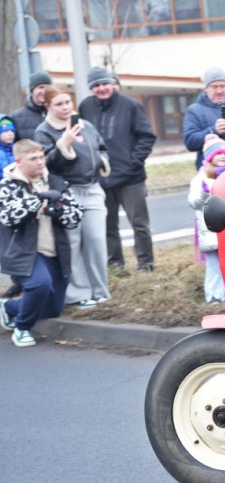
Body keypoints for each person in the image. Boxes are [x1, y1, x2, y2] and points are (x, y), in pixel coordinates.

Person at [0, 140, 83, 347]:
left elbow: (75, 218)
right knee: (39, 284)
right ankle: (22, 328)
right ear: (19, 161)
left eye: (41, 157)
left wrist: (60, 211)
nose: (40, 162)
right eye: (33, 159)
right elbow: (8, 216)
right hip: (23, 251)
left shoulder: (56, 182)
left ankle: (9, 307)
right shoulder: (7, 185)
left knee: (52, 309)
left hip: (55, 250)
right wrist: (38, 199)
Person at [34, 86, 111, 308]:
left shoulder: (85, 125)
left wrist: (102, 161)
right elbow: (46, 165)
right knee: (73, 244)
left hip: (93, 188)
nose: (65, 107)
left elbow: (102, 147)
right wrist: (63, 144)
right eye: (59, 104)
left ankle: (100, 290)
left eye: (67, 102)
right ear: (48, 106)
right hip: (68, 191)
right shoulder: (44, 131)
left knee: (96, 240)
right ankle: (79, 293)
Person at [78, 66, 157, 273]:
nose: (102, 88)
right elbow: (82, 137)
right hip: (102, 177)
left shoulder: (131, 105)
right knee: (107, 225)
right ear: (91, 88)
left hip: (131, 178)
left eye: (105, 83)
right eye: (96, 85)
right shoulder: (85, 107)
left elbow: (147, 136)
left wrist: (134, 161)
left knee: (139, 224)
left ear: (113, 84)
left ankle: (146, 265)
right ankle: (115, 266)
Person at [189, 136, 225, 302]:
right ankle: (214, 295)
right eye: (218, 153)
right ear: (209, 157)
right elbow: (194, 203)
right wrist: (203, 193)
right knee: (214, 264)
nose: (223, 156)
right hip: (211, 228)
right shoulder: (200, 179)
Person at [9, 71, 52, 141]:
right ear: (32, 90)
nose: (45, 91)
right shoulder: (15, 117)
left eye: (48, 88)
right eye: (41, 87)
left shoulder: (59, 113)